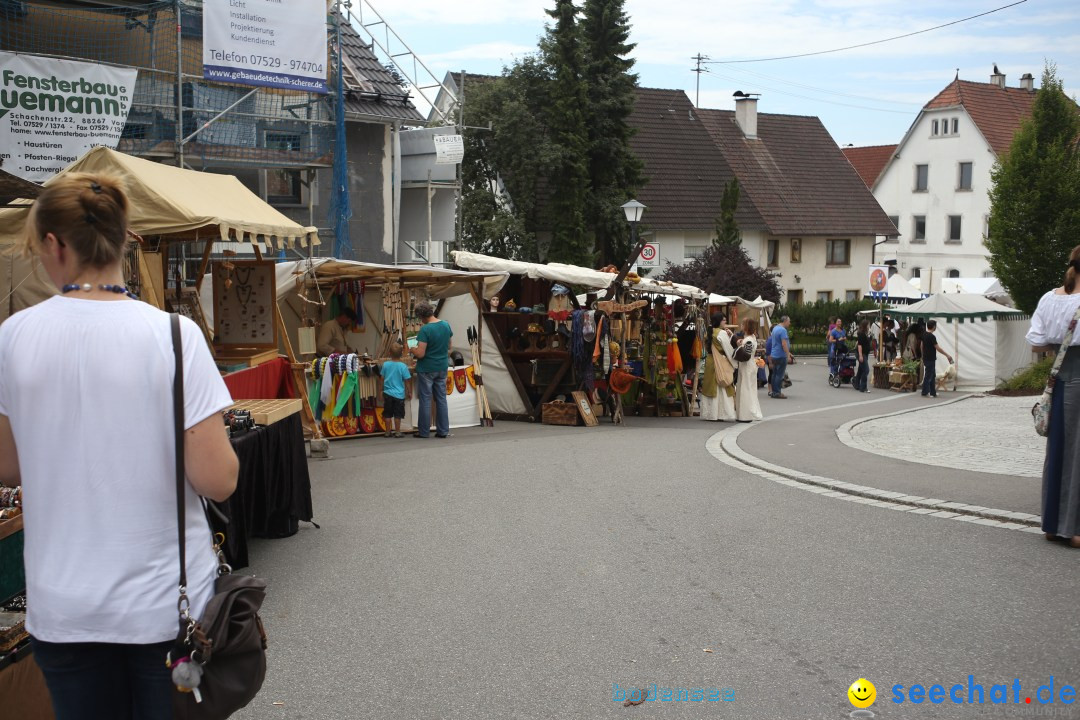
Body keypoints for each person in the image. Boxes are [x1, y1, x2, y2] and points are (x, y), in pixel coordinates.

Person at [0, 173, 238, 718]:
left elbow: (8, 465)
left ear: (54, 245)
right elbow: (217, 478)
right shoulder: (175, 337)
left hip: (63, 606)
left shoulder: (13, 336)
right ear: (124, 238)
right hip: (164, 605)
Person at [1027, 245, 1080, 547]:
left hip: (1059, 378)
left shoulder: (1051, 299)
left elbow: (1036, 343)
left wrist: (1059, 346)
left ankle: (1052, 524)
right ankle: (1073, 529)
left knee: (1058, 448)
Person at [409, 301, 453, 438]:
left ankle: (424, 431)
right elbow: (450, 347)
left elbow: (420, 353)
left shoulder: (425, 330)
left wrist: (412, 348)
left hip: (427, 368)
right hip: (442, 366)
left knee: (426, 400)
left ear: (421, 316)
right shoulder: (446, 325)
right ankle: (443, 430)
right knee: (441, 399)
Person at [700, 313, 736, 421]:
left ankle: (710, 414)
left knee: (710, 386)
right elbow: (728, 350)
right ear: (719, 321)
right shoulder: (722, 333)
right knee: (722, 386)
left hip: (710, 361)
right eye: (724, 320)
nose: (725, 322)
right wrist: (735, 364)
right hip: (720, 361)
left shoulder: (709, 332)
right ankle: (721, 414)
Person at [734, 319, 763, 421]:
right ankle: (747, 414)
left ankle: (746, 415)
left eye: (743, 324)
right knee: (749, 390)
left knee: (745, 390)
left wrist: (738, 346)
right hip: (750, 366)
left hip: (746, 367)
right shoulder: (752, 338)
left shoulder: (748, 340)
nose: (741, 325)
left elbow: (745, 355)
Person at [380, 344, 411, 438]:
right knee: (398, 415)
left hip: (387, 393)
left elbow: (381, 378)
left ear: (389, 353)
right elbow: (407, 381)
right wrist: (409, 391)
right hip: (399, 395)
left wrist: (380, 390)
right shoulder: (403, 366)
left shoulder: (385, 365)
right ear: (401, 354)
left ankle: (387, 432)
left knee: (387, 414)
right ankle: (397, 432)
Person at [920, 319, 953, 397]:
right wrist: (947, 355)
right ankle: (925, 392)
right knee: (928, 375)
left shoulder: (924, 334)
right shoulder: (932, 336)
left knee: (932, 375)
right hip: (930, 358)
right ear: (934, 327)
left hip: (926, 358)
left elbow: (921, 346)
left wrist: (923, 355)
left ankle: (932, 392)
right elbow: (938, 348)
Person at [769, 316, 794, 399]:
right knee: (779, 375)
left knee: (774, 374)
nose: (789, 323)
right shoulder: (783, 330)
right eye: (789, 321)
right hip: (781, 355)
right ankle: (777, 392)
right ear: (785, 321)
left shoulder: (775, 328)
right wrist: (788, 355)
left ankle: (773, 391)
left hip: (774, 354)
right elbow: (784, 344)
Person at [854, 320, 873, 393]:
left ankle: (856, 384)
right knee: (866, 370)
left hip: (865, 353)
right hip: (862, 354)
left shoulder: (865, 333)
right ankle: (863, 387)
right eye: (868, 325)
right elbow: (859, 345)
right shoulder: (861, 334)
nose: (869, 326)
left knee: (861, 369)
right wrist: (860, 355)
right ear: (865, 326)